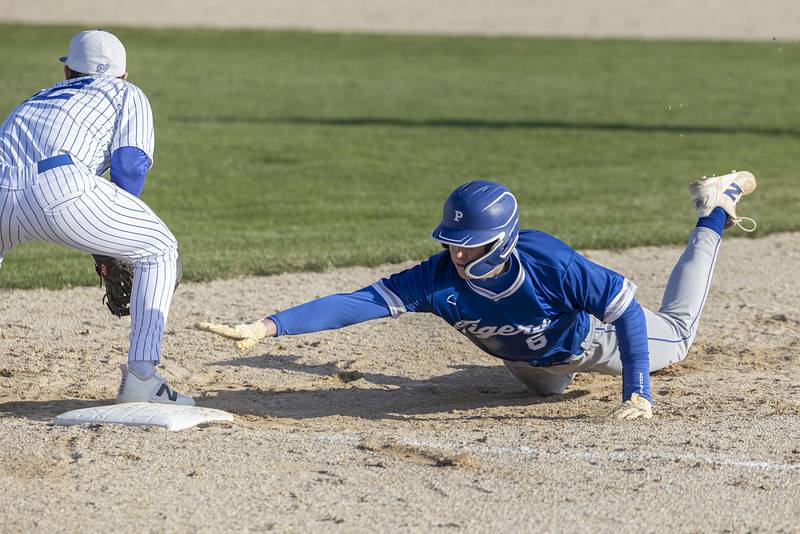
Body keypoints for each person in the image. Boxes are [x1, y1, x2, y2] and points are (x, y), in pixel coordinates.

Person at [197, 173, 757, 419]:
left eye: (472, 245)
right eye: (454, 243)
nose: (460, 255)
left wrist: (637, 393)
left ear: (505, 240)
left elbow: (627, 312)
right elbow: (355, 303)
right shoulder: (435, 277)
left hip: (595, 341)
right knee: (546, 390)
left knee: (676, 334)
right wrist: (267, 327)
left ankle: (714, 210)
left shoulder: (551, 262)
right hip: (527, 362)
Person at [0, 29, 192, 405]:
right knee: (158, 249)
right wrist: (113, 243)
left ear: (67, 72)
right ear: (123, 75)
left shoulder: (35, 99)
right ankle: (141, 379)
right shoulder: (126, 92)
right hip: (61, 187)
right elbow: (129, 165)